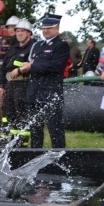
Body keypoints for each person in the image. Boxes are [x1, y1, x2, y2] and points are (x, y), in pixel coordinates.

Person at [21, 13, 70, 148]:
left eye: (49, 28)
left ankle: (59, 156)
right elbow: (31, 62)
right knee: (35, 129)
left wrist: (32, 67)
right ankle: (35, 155)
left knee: (55, 128)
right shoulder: (38, 45)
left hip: (50, 92)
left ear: (57, 29)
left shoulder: (61, 45)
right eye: (44, 28)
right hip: (34, 92)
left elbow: (56, 66)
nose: (46, 30)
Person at [0, 19, 36, 145]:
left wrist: (19, 70)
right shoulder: (13, 48)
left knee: (22, 112)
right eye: (18, 31)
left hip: (23, 84)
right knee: (9, 111)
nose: (19, 33)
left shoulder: (33, 48)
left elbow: (34, 65)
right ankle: (13, 140)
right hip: (10, 84)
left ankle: (22, 142)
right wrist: (1, 85)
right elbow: (4, 67)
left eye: (22, 31)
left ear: (29, 33)